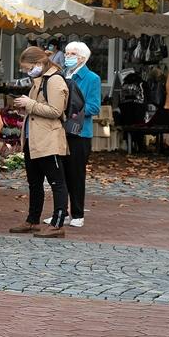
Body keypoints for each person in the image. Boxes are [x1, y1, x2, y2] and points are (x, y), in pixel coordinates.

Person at [9, 46, 69, 238]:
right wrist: (26, 108)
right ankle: (33, 220)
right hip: (34, 139)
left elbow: (56, 111)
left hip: (48, 140)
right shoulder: (39, 80)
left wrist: (30, 104)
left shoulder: (54, 79)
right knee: (34, 183)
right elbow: (38, 109)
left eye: (28, 67)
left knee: (56, 182)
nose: (27, 72)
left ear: (39, 63)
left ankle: (58, 223)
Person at [55, 41, 102, 226]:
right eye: (66, 53)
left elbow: (94, 106)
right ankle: (61, 212)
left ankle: (77, 214)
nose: (67, 56)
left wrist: (72, 110)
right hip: (60, 130)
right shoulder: (61, 75)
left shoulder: (91, 78)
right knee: (60, 174)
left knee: (75, 175)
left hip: (79, 133)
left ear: (82, 57)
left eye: (71, 53)